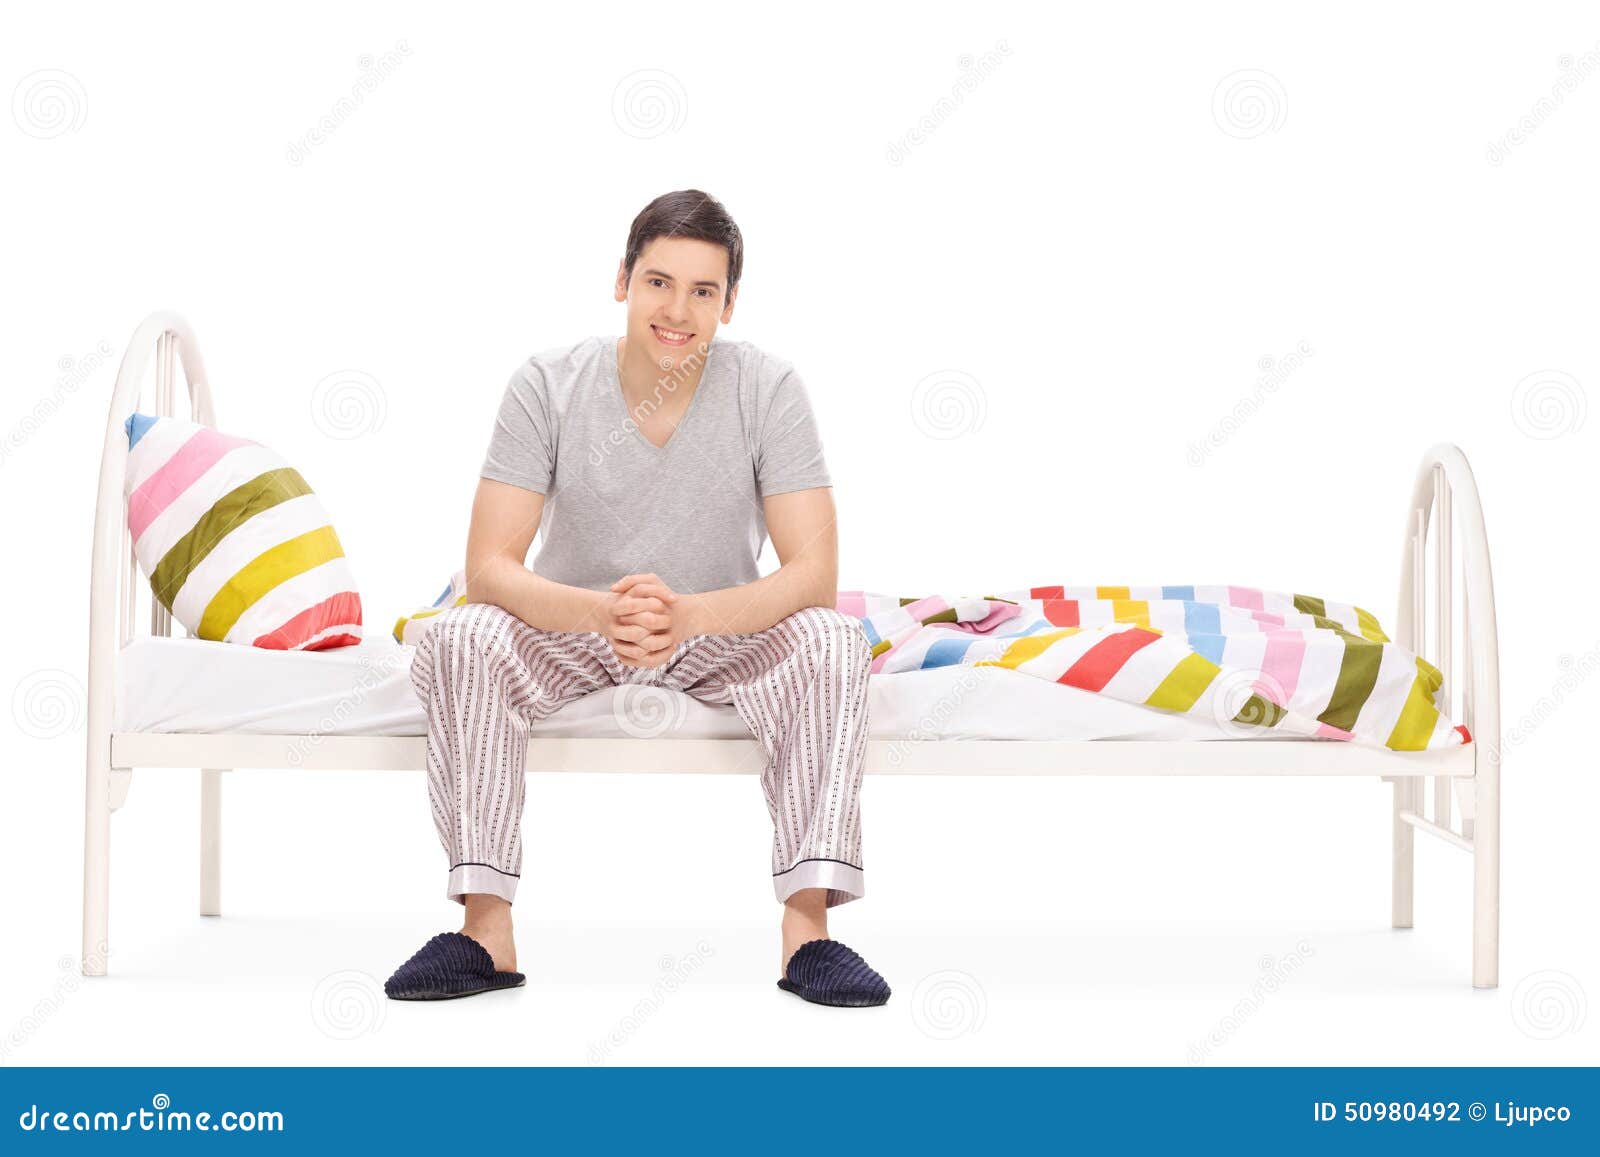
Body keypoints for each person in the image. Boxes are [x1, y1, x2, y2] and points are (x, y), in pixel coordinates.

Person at [383, 190, 890, 1007]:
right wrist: (599, 612)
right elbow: (489, 567)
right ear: (622, 280)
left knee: (833, 640)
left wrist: (690, 615)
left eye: (702, 291)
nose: (677, 311)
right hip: (577, 625)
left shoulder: (768, 388)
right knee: (459, 636)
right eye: (659, 282)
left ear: (729, 302)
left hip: (715, 627)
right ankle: (483, 930)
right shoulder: (546, 384)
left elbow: (812, 577)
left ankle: (809, 934)